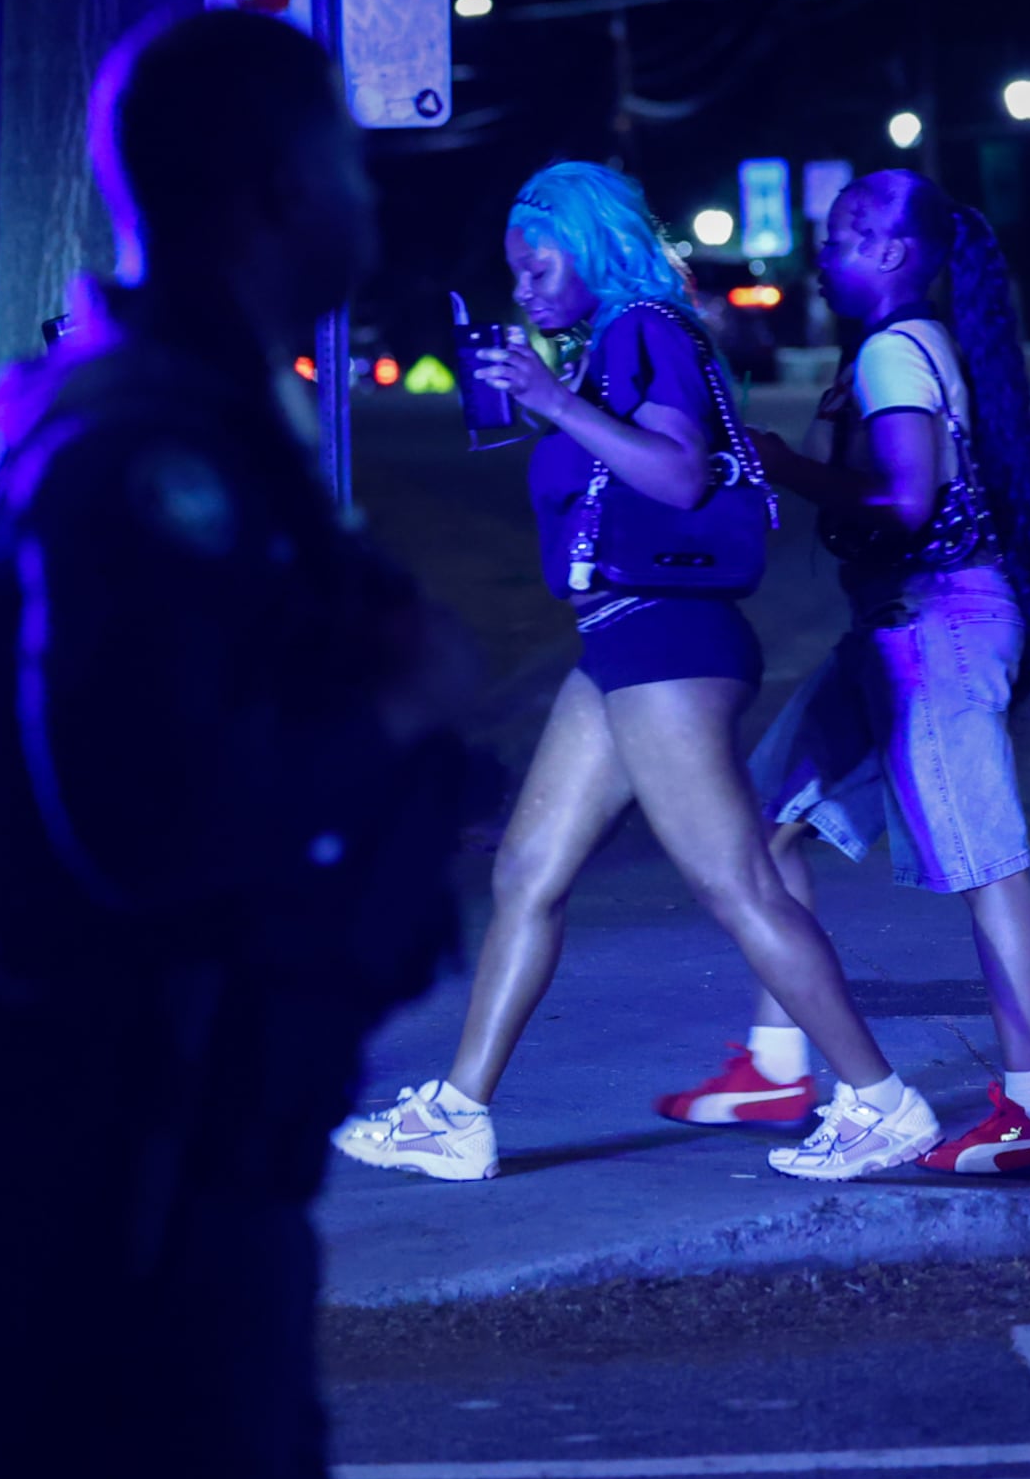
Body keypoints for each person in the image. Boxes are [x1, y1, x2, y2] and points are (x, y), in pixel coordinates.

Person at [0, 7, 476, 1479]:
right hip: (125, 1138)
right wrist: (383, 717)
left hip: (153, 1129)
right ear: (286, 190)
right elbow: (143, 816)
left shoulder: (128, 406)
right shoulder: (148, 450)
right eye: (354, 166)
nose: (375, 199)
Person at [331, 160, 937, 1188]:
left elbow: (676, 470)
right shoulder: (612, 349)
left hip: (667, 639)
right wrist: (542, 403)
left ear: (591, 244)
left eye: (538, 261)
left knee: (737, 882)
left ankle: (880, 1100)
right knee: (526, 872)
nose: (521, 283)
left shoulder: (644, 329)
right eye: (514, 268)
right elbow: (622, 472)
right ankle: (459, 1113)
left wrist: (554, 402)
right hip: (619, 638)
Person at [685, 169, 1030, 1175]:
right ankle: (776, 1059)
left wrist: (786, 464)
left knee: (985, 864)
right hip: (892, 628)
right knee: (758, 827)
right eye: (833, 226)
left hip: (938, 628)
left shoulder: (899, 353)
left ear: (898, 252)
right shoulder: (877, 352)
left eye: (852, 229)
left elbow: (905, 498)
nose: (829, 242)